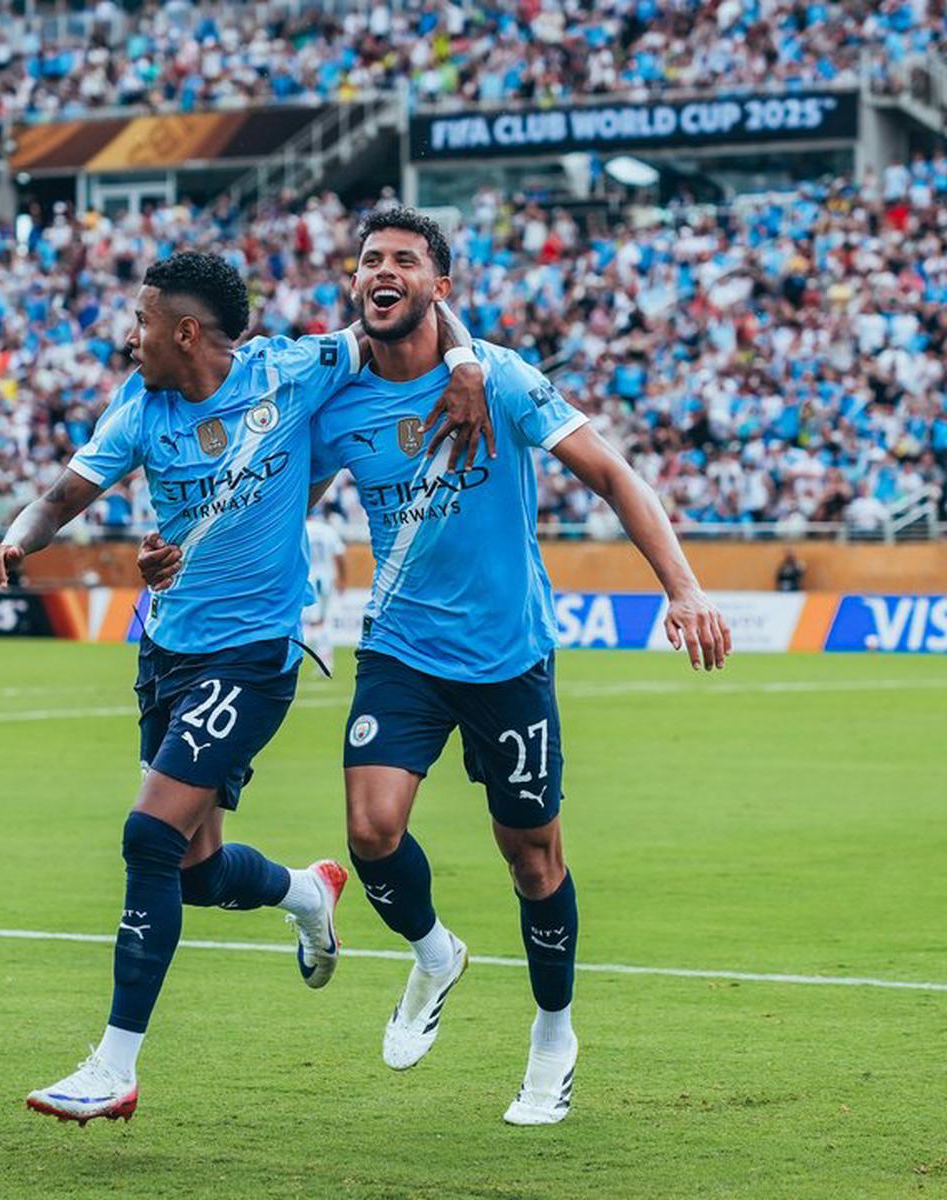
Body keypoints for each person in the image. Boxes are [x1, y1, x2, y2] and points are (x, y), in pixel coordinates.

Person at [0, 251, 489, 1125]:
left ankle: (114, 1064)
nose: (128, 337)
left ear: (184, 331)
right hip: (167, 653)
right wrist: (16, 543)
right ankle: (304, 891)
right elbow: (61, 496)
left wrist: (468, 365)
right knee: (197, 872)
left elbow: (417, 323)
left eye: (140, 322)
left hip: (253, 658)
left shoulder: (291, 368)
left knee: (147, 836)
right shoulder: (140, 410)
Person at [306, 209, 729, 1125]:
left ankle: (552, 1035)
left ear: (439, 287)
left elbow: (615, 476)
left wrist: (685, 589)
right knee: (371, 832)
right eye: (370, 259)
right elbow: (283, 497)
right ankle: (433, 954)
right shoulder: (335, 396)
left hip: (507, 656)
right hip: (400, 649)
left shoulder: (498, 377)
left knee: (532, 859)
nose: (383, 271)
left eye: (405, 261)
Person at [302, 506, 347, 673]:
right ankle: (324, 661)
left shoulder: (302, 529)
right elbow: (340, 556)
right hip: (325, 580)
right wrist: (343, 579)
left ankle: (321, 661)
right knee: (322, 621)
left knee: (310, 623)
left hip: (306, 580)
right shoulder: (327, 530)